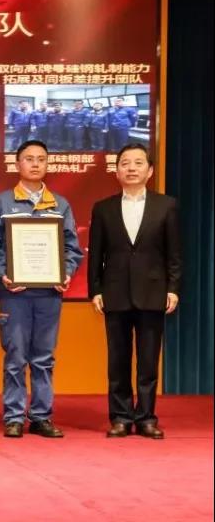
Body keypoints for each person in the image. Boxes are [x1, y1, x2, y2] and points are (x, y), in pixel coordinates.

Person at [0, 140, 83, 438]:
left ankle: (41, 416)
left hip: (49, 294)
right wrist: (4, 274)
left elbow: (72, 248)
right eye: (29, 158)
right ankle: (14, 417)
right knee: (15, 358)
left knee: (43, 358)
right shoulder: (2, 203)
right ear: (17, 164)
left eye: (41, 159)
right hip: (14, 294)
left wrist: (66, 273)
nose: (36, 163)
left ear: (47, 164)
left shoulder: (60, 205)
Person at [88, 143, 181, 439]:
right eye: (125, 163)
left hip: (153, 292)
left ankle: (146, 418)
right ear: (116, 171)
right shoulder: (103, 208)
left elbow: (174, 253)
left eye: (138, 163)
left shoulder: (166, 205)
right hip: (115, 293)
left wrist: (173, 288)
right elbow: (96, 254)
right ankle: (120, 417)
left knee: (148, 361)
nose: (131, 168)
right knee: (117, 360)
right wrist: (95, 289)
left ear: (149, 171)